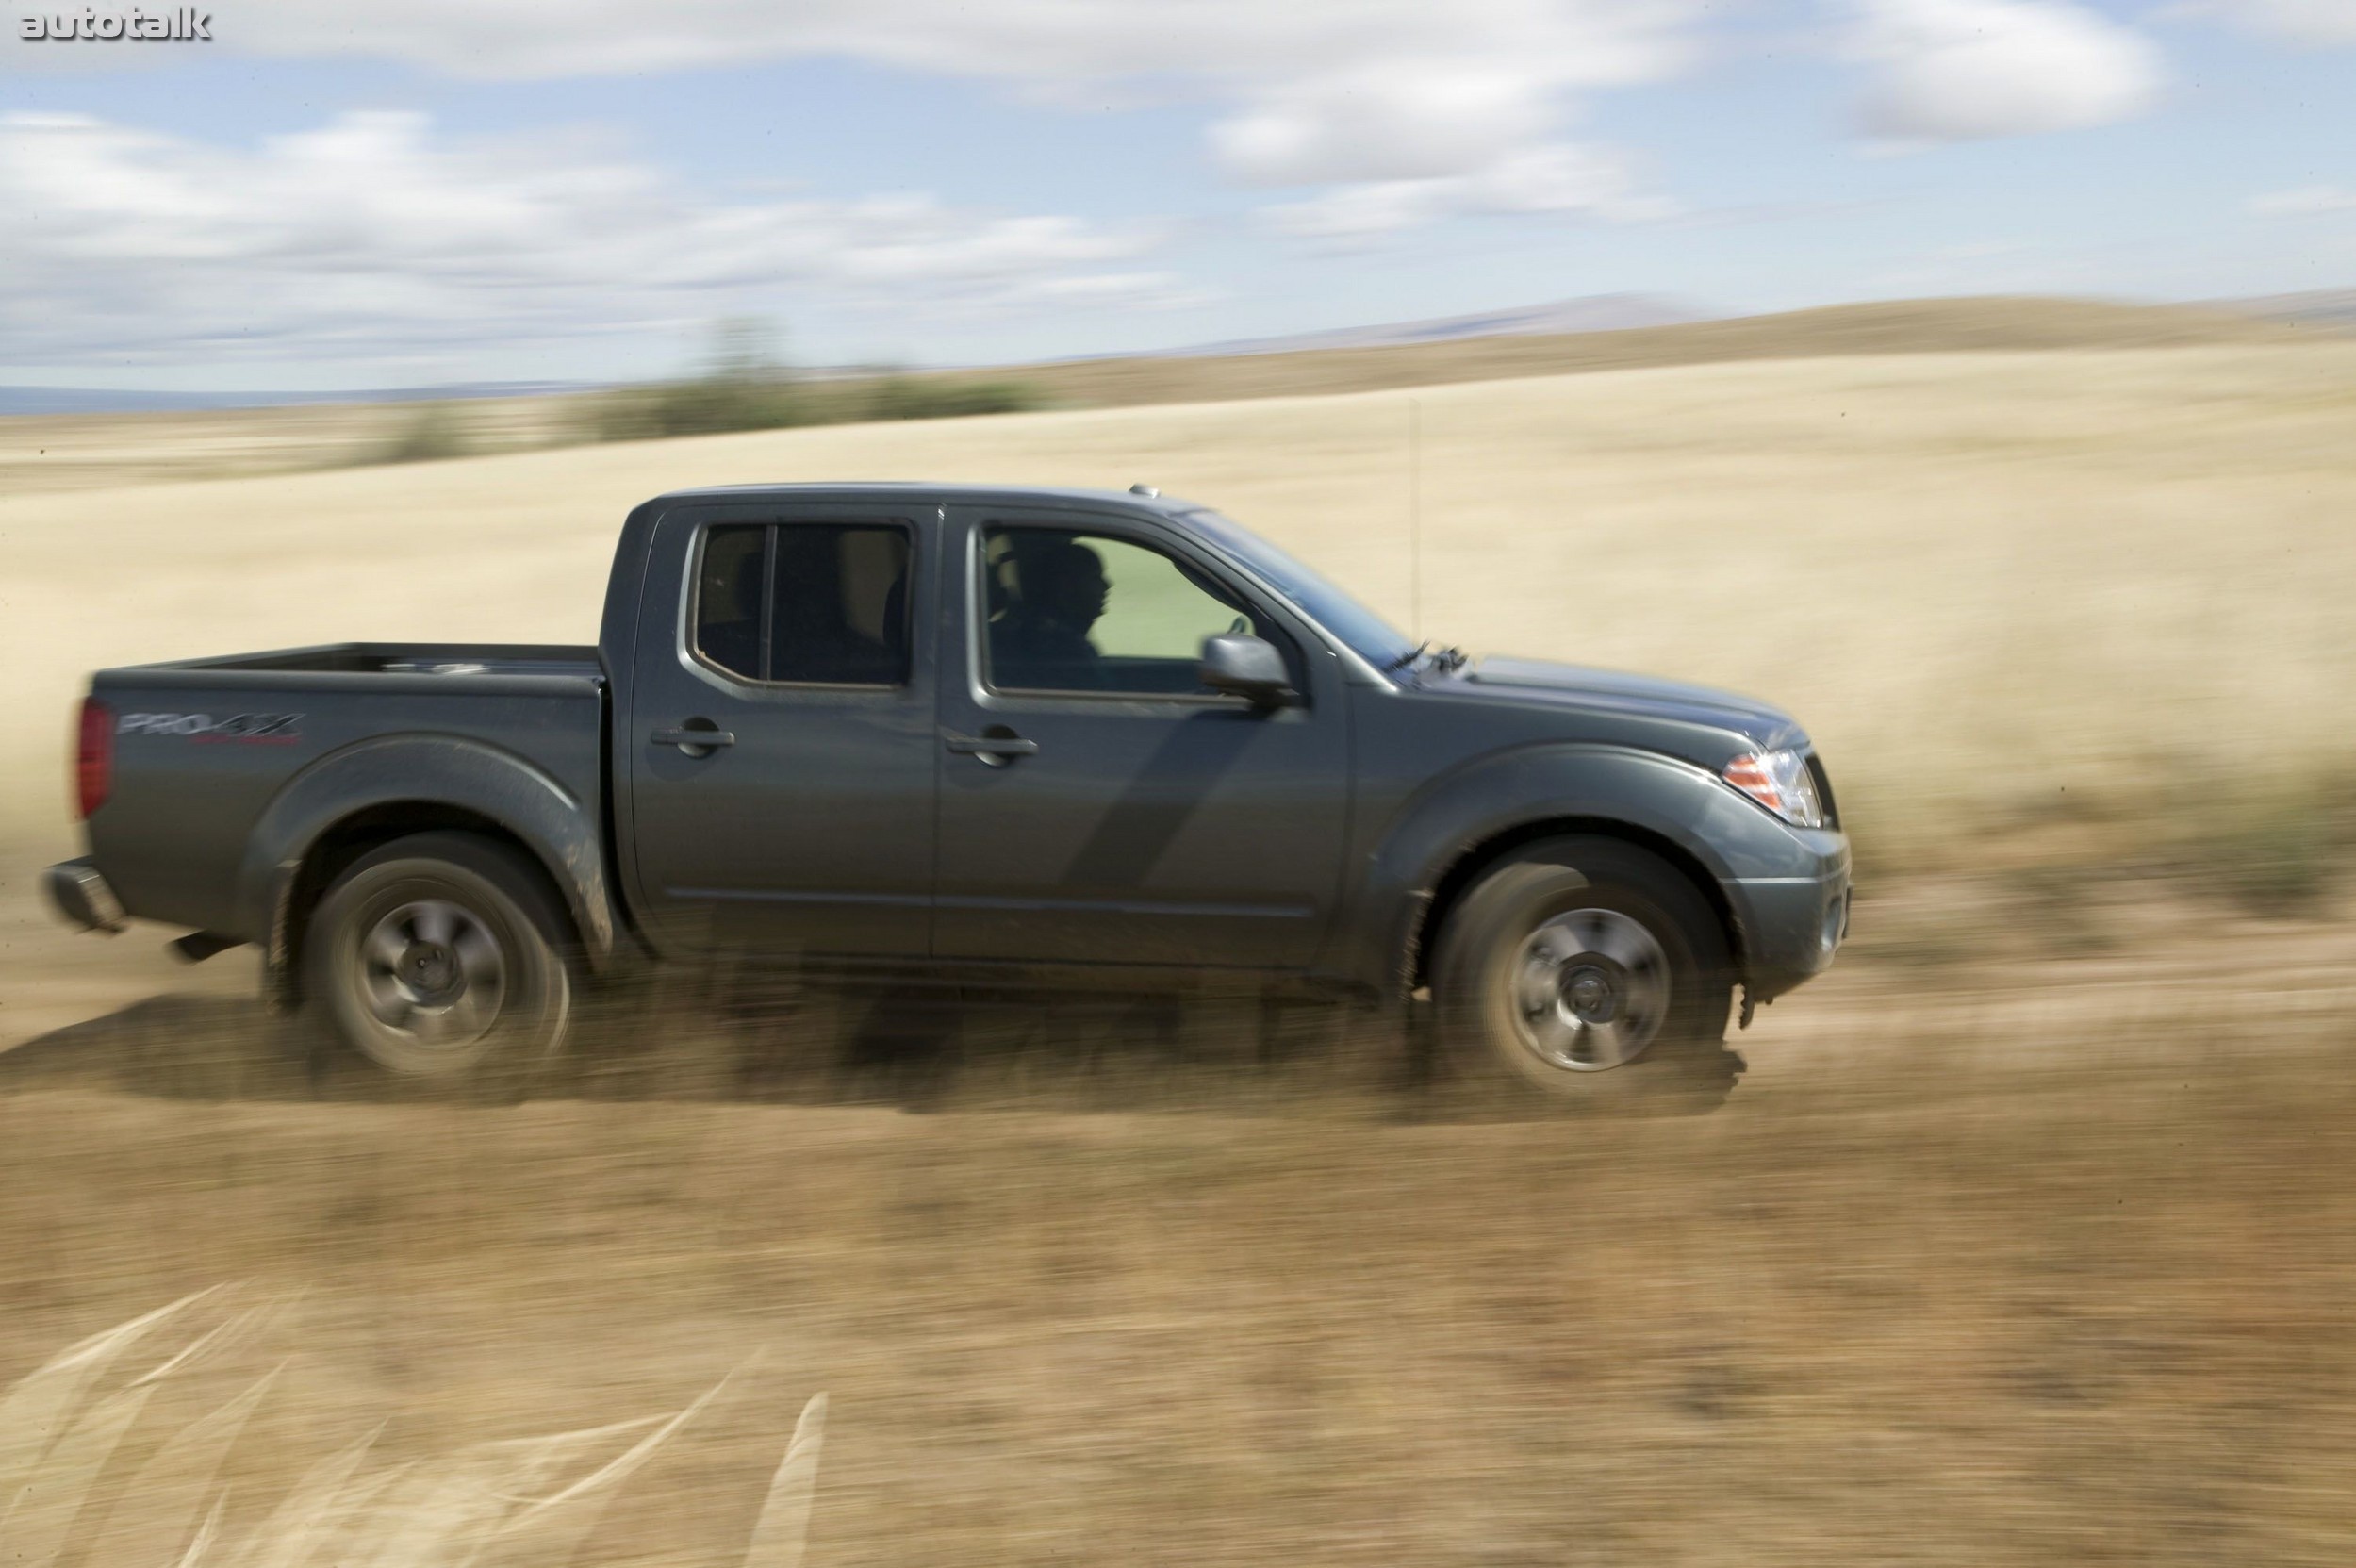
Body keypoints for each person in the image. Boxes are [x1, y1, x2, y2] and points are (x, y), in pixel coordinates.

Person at [992, 536, 1110, 689]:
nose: (1106, 585)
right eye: (1094, 576)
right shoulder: (1058, 649)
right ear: (1066, 586)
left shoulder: (1055, 638)